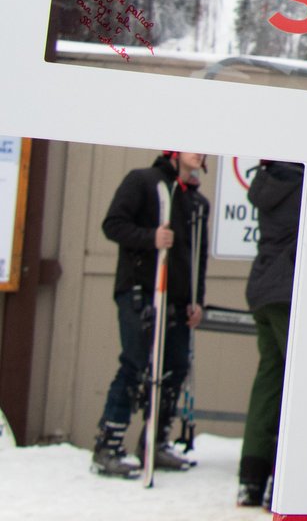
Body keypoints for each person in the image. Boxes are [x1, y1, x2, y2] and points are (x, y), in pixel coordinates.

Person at [93, 150, 209, 477]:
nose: (199, 152)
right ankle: (108, 444)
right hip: (140, 290)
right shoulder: (143, 182)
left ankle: (155, 441)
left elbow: (196, 259)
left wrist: (196, 300)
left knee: (175, 365)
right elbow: (112, 224)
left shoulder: (197, 203)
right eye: (191, 145)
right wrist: (150, 238)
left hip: (177, 300)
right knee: (137, 360)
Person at [237, 160, 303, 509]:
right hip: (287, 290)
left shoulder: (269, 184)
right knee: (297, 383)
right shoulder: (304, 186)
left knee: (270, 379)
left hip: (262, 287)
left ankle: (251, 479)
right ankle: (282, 478)